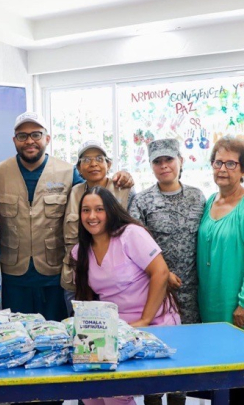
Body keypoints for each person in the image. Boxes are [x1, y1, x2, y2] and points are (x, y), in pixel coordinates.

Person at [0, 111, 133, 321]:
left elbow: (94, 193)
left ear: (47, 138)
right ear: (14, 140)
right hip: (13, 278)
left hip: (55, 277)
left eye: (36, 135)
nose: (29, 141)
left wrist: (122, 175)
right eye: (22, 136)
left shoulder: (67, 172)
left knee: (57, 339)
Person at [71, 187, 179, 405]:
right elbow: (89, 300)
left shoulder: (130, 234)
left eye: (99, 209)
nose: (92, 216)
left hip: (153, 323)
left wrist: (145, 320)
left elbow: (161, 272)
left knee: (114, 391)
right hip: (116, 329)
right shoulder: (80, 251)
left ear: (110, 211)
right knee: (88, 392)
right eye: (86, 210)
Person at [197, 136, 244, 405]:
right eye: (218, 162)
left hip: (242, 312)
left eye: (231, 163)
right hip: (212, 310)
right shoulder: (209, 203)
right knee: (219, 386)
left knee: (241, 387)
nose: (223, 169)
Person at [128, 138, 205, 326]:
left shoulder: (197, 196)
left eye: (168, 160)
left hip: (193, 291)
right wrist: (164, 273)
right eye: (157, 161)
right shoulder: (141, 201)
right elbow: (136, 247)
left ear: (181, 160)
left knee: (192, 345)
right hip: (155, 287)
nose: (164, 166)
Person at [61, 140, 132, 315]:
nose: (93, 164)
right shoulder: (74, 192)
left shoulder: (124, 190)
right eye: (86, 160)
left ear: (109, 164)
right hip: (77, 278)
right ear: (78, 168)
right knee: (80, 331)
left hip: (113, 280)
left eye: (99, 158)